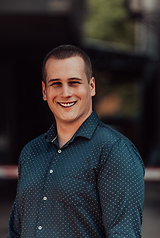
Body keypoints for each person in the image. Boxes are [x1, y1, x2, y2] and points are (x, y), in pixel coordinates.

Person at [8, 45, 145, 238]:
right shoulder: (31, 152)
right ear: (44, 91)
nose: (65, 93)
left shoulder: (115, 151)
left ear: (91, 86)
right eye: (56, 83)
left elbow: (123, 234)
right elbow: (16, 231)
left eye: (74, 82)